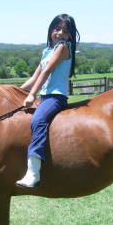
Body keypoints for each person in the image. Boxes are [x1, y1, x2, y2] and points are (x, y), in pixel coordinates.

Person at [16, 13, 80, 188]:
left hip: (56, 96)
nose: (59, 33)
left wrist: (32, 95)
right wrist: (17, 92)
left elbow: (47, 72)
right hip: (44, 96)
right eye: (57, 28)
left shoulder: (63, 47)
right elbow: (34, 77)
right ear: (51, 29)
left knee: (38, 120)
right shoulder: (47, 51)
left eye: (65, 31)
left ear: (69, 36)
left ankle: (34, 173)